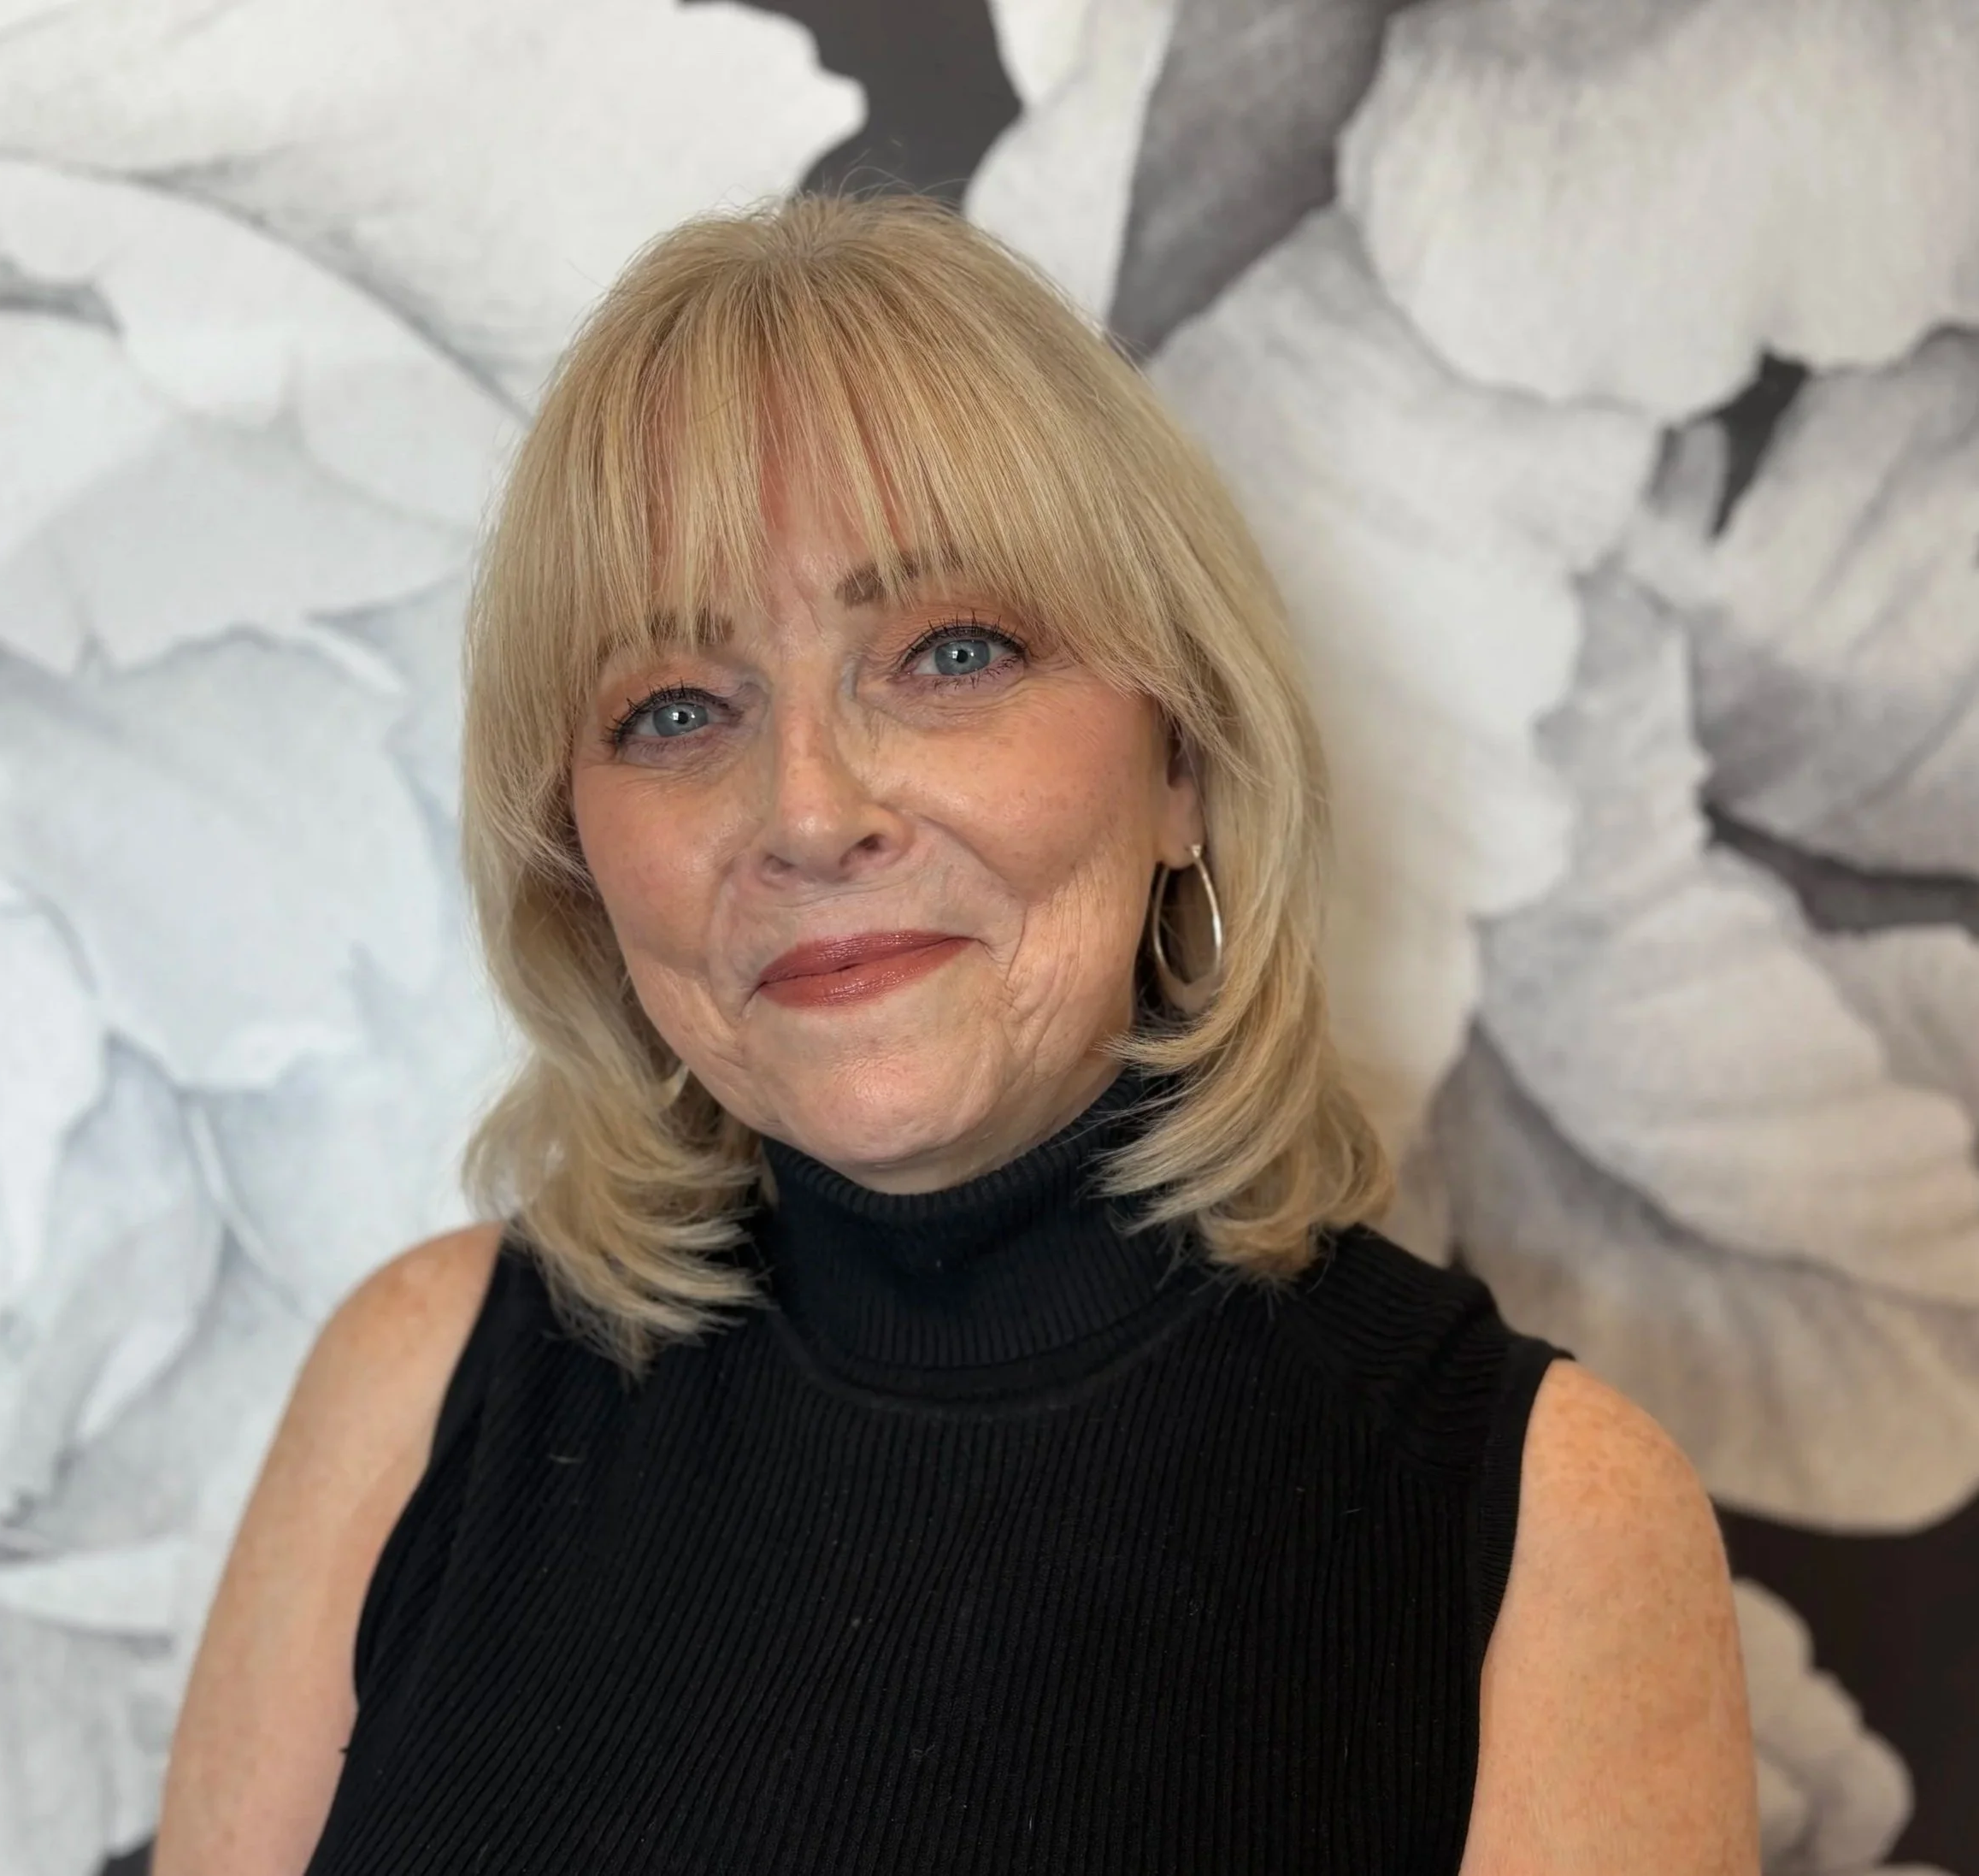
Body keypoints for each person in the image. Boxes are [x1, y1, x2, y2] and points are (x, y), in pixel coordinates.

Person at [151, 190, 1760, 1874]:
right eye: (676, 707)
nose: (806, 811)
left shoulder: (1549, 1520)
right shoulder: (417, 1385)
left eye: (949, 652)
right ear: (576, 845)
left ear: (1182, 760)